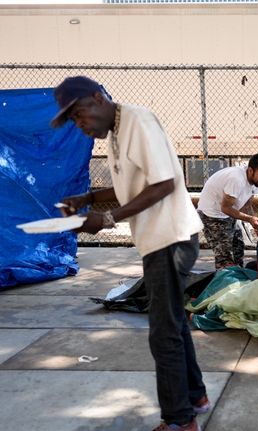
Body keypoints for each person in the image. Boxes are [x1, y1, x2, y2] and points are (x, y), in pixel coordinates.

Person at [51, 76, 208, 431]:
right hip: (161, 240)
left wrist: (105, 219)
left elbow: (165, 182)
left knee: (162, 331)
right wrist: (89, 199)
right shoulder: (119, 130)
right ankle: (195, 396)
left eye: (80, 115)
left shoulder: (138, 121)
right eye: (75, 121)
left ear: (98, 99)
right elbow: (131, 187)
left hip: (170, 239)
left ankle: (179, 421)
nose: (81, 125)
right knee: (173, 324)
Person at [196, 154, 258, 269]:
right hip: (212, 214)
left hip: (227, 213)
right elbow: (225, 208)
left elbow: (246, 205)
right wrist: (249, 219)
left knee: (238, 248)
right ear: (250, 170)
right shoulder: (236, 179)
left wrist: (255, 224)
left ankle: (238, 279)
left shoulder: (256, 182)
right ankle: (226, 283)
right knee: (225, 256)